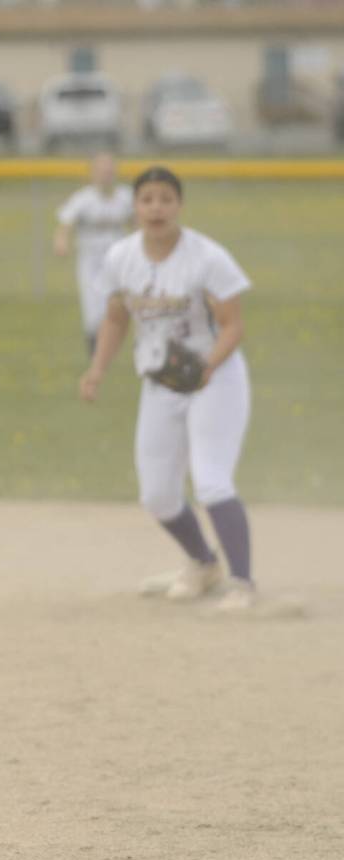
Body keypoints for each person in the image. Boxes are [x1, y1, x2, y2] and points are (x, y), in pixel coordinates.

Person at [79, 166, 255, 612]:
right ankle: (202, 564)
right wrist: (97, 370)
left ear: (178, 205)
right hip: (161, 382)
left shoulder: (206, 257)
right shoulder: (122, 257)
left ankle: (242, 583)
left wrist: (206, 367)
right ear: (135, 206)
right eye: (147, 199)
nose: (156, 207)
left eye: (165, 199)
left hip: (215, 377)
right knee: (157, 494)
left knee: (212, 480)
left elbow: (233, 327)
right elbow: (116, 318)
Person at [53, 152, 133, 358]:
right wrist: (62, 242)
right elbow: (65, 224)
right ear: (93, 173)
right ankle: (94, 350)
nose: (106, 174)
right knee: (93, 306)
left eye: (109, 170)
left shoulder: (125, 196)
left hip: (118, 261)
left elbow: (138, 223)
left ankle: (120, 344)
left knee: (121, 303)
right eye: (101, 170)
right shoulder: (83, 199)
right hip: (91, 261)